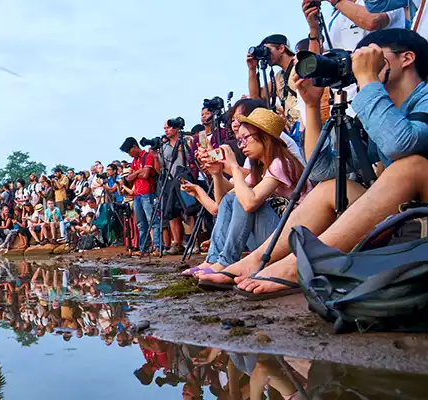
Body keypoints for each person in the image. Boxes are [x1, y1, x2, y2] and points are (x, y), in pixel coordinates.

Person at [205, 29, 428, 296]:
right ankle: (257, 259)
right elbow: (323, 171)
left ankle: (296, 265)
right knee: (331, 187)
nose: (362, 65)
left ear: (407, 58)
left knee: (410, 166)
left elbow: (400, 144)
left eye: (372, 56)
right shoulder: (379, 110)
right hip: (404, 212)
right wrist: (311, 106)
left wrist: (368, 79)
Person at [185, 108, 310, 276]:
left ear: (265, 137)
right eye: (240, 140)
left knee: (243, 199)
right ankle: (214, 260)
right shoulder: (262, 170)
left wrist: (234, 166)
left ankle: (225, 262)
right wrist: (216, 173)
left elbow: (249, 202)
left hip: (296, 241)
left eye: (245, 138)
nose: (242, 145)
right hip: (276, 238)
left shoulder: (281, 163)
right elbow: (224, 203)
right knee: (235, 198)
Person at [123, 137, 162, 256]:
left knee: (152, 221)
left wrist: (136, 173)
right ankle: (143, 248)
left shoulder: (147, 156)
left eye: (129, 151)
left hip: (147, 192)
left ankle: (158, 247)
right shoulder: (135, 160)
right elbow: (128, 178)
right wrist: (138, 172)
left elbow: (145, 174)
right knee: (141, 223)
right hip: (137, 194)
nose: (129, 155)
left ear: (134, 147)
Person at [159, 117, 188, 255]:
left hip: (186, 178)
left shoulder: (186, 141)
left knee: (190, 210)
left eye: (168, 127)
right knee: (172, 212)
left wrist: (182, 150)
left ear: (176, 127)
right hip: (170, 179)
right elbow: (161, 167)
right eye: (165, 128)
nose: (166, 130)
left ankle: (194, 241)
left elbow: (189, 159)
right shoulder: (164, 147)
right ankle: (177, 243)